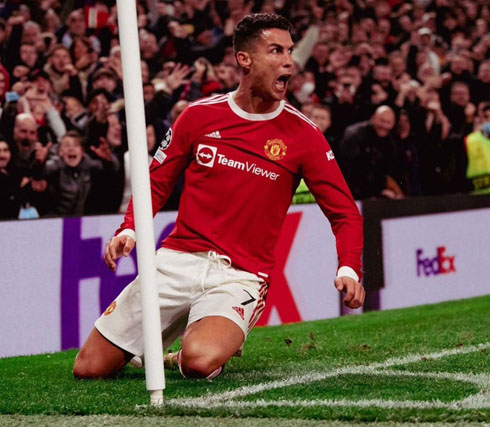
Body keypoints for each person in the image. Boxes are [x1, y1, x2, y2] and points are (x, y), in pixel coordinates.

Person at [73, 13, 364, 381]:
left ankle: (198, 346)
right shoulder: (198, 116)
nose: (289, 61)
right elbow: (156, 182)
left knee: (198, 362)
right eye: (276, 51)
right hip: (176, 260)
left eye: (290, 51)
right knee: (89, 369)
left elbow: (344, 213)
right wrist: (129, 229)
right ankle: (162, 345)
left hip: (240, 275)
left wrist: (349, 267)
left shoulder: (303, 135)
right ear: (245, 59)